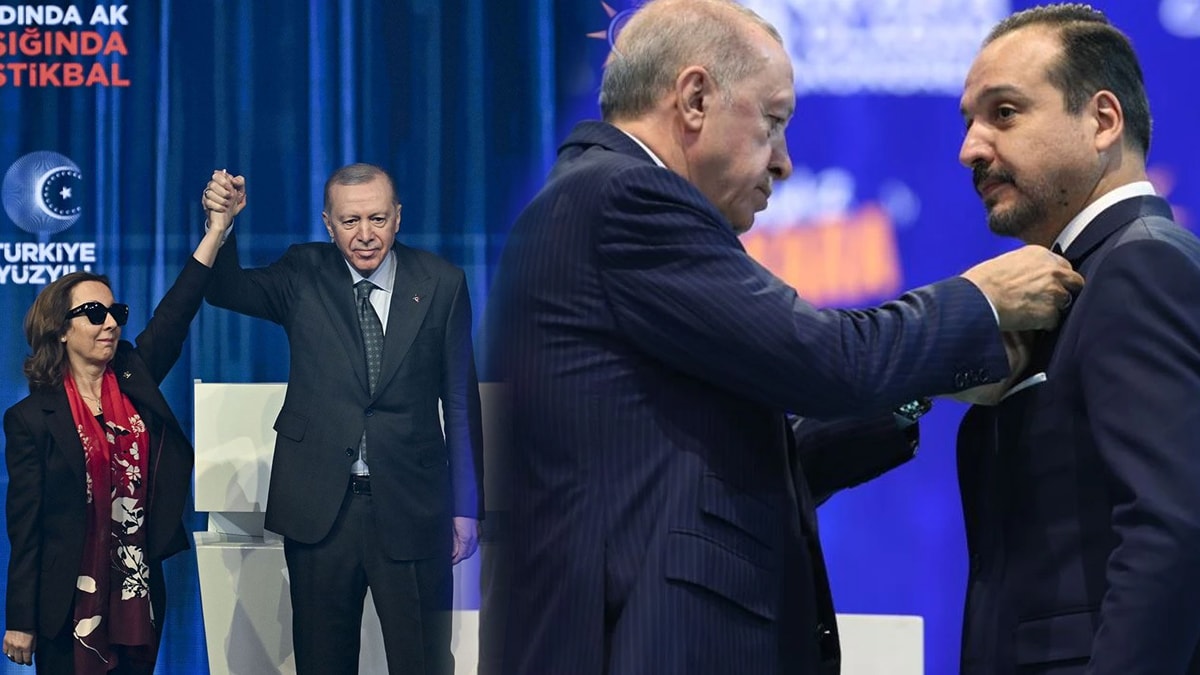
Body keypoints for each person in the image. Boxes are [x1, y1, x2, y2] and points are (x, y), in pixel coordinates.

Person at [482, 0, 1084, 673]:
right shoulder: (624, 198)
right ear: (695, 98)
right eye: (772, 123)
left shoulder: (596, 201)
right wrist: (981, 301)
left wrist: (922, 388)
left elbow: (751, 466)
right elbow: (828, 360)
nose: (784, 162)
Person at [955, 4, 1200, 673]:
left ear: (1102, 121)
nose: (971, 148)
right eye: (969, 122)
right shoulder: (1085, 276)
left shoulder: (1141, 265)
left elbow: (1172, 529)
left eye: (1004, 113)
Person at [200, 163, 484, 675]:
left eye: (378, 218)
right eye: (350, 221)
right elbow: (224, 290)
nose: (365, 234)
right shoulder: (302, 272)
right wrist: (222, 225)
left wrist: (466, 506)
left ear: (398, 217)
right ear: (328, 224)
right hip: (320, 513)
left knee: (424, 662)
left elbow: (461, 402)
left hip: (413, 506)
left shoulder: (442, 283)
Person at [2, 224, 227, 673]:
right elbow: (27, 530)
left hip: (136, 596)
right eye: (93, 313)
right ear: (60, 330)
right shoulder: (31, 419)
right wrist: (20, 619)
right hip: (65, 604)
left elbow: (176, 312)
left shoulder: (134, 377)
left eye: (114, 312)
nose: (110, 323)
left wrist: (216, 232)